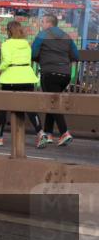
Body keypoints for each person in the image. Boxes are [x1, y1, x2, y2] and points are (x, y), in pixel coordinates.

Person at [0, 20, 47, 148]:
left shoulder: (6, 44)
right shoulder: (26, 44)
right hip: (27, 78)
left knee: (3, 107)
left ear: (8, 31)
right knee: (29, 107)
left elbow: (7, 60)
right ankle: (40, 133)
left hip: (11, 79)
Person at [31, 13, 78, 146]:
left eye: (43, 22)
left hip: (49, 73)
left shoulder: (42, 35)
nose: (41, 24)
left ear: (49, 23)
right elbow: (76, 55)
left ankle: (65, 132)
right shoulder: (67, 36)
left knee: (53, 102)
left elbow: (33, 53)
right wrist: (62, 61)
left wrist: (42, 60)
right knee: (52, 101)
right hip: (66, 75)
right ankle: (49, 133)